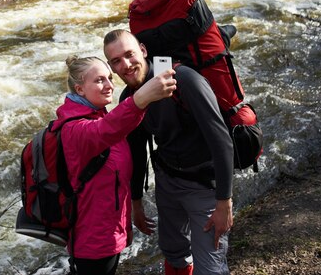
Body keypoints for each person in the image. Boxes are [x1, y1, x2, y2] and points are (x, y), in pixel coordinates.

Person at [103, 29, 234, 275]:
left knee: (211, 268)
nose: (126, 65)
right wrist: (136, 202)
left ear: (143, 50)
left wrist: (224, 201)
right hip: (167, 182)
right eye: (116, 61)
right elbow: (137, 151)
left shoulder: (183, 79)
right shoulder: (130, 98)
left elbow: (221, 141)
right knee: (174, 252)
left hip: (204, 186)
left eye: (129, 55)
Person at [50, 55, 176, 275]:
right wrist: (140, 98)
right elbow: (107, 129)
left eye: (109, 78)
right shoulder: (75, 128)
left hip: (107, 232)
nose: (109, 85)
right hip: (93, 240)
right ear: (80, 89)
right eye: (100, 80)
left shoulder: (96, 114)